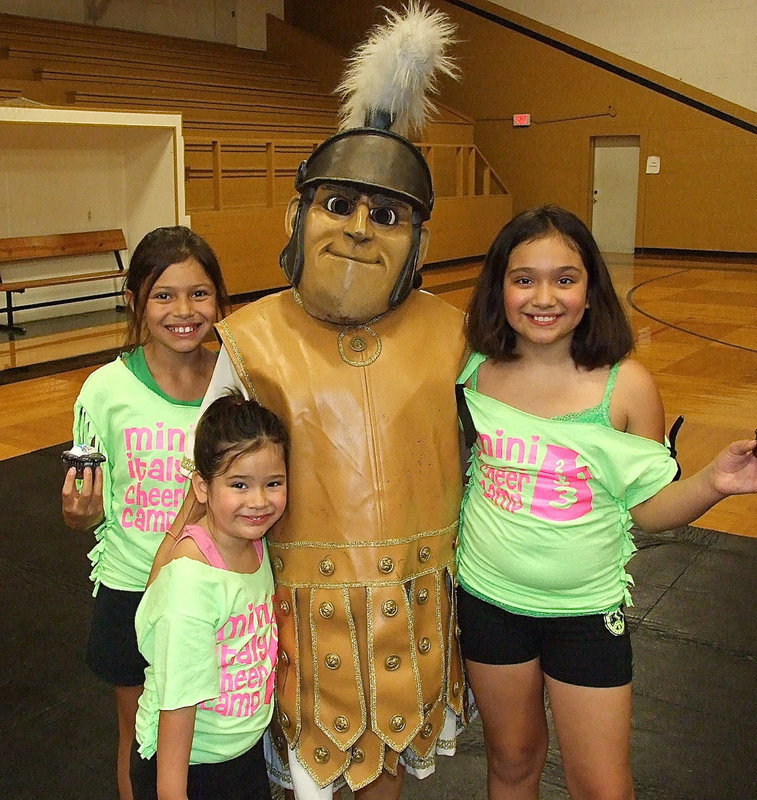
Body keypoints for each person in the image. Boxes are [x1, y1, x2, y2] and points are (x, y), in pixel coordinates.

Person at [150, 5, 469, 798]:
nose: (361, 227)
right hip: (293, 623)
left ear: (417, 245)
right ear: (299, 215)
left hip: (417, 612)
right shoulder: (249, 340)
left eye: (388, 215)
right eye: (340, 205)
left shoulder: (456, 334)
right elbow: (210, 469)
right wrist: (167, 592)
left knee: (389, 778)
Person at [455, 205, 757, 800]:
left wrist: (715, 481)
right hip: (488, 602)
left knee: (602, 785)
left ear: (590, 290)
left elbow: (648, 509)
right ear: (499, 287)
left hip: (584, 614)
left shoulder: (625, 386)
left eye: (565, 278)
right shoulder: (473, 371)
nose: (543, 297)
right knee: (511, 760)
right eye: (523, 278)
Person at [61, 225, 230, 800]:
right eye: (163, 295)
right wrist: (78, 516)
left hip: (222, 591)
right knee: (140, 740)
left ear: (219, 301)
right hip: (133, 589)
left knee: (226, 734)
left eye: (199, 294)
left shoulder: (237, 382)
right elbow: (86, 511)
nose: (183, 311)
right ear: (135, 301)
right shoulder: (105, 391)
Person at [130, 392, 287, 800]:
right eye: (239, 485)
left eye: (273, 483)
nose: (259, 501)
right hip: (188, 769)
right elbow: (177, 705)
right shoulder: (193, 587)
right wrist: (172, 793)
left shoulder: (254, 544)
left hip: (237, 756)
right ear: (202, 486)